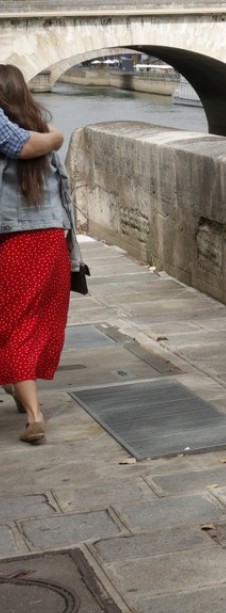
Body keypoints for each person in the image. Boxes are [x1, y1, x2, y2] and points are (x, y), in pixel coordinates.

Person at [0, 63, 81, 444]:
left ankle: (34, 414)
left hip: (13, 242)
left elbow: (19, 145)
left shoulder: (23, 137)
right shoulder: (44, 131)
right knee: (37, 320)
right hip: (50, 241)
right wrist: (57, 135)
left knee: (14, 324)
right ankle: (20, 389)